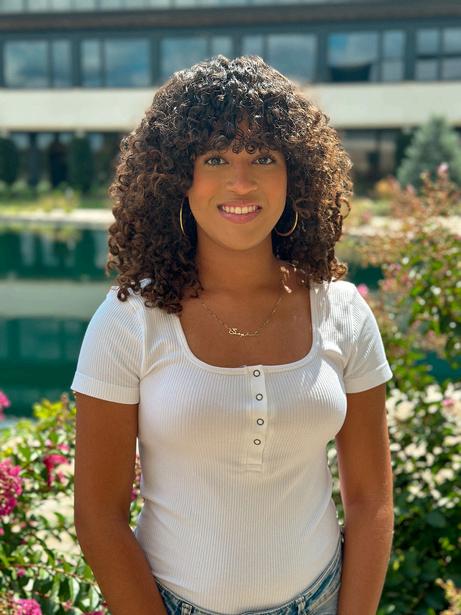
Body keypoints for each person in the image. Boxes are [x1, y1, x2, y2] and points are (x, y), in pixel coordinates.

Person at [71, 55, 394, 615]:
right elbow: (99, 515)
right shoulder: (130, 320)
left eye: (263, 157)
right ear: (178, 176)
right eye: (215, 157)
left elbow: (370, 501)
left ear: (295, 174)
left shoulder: (341, 311)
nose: (241, 181)